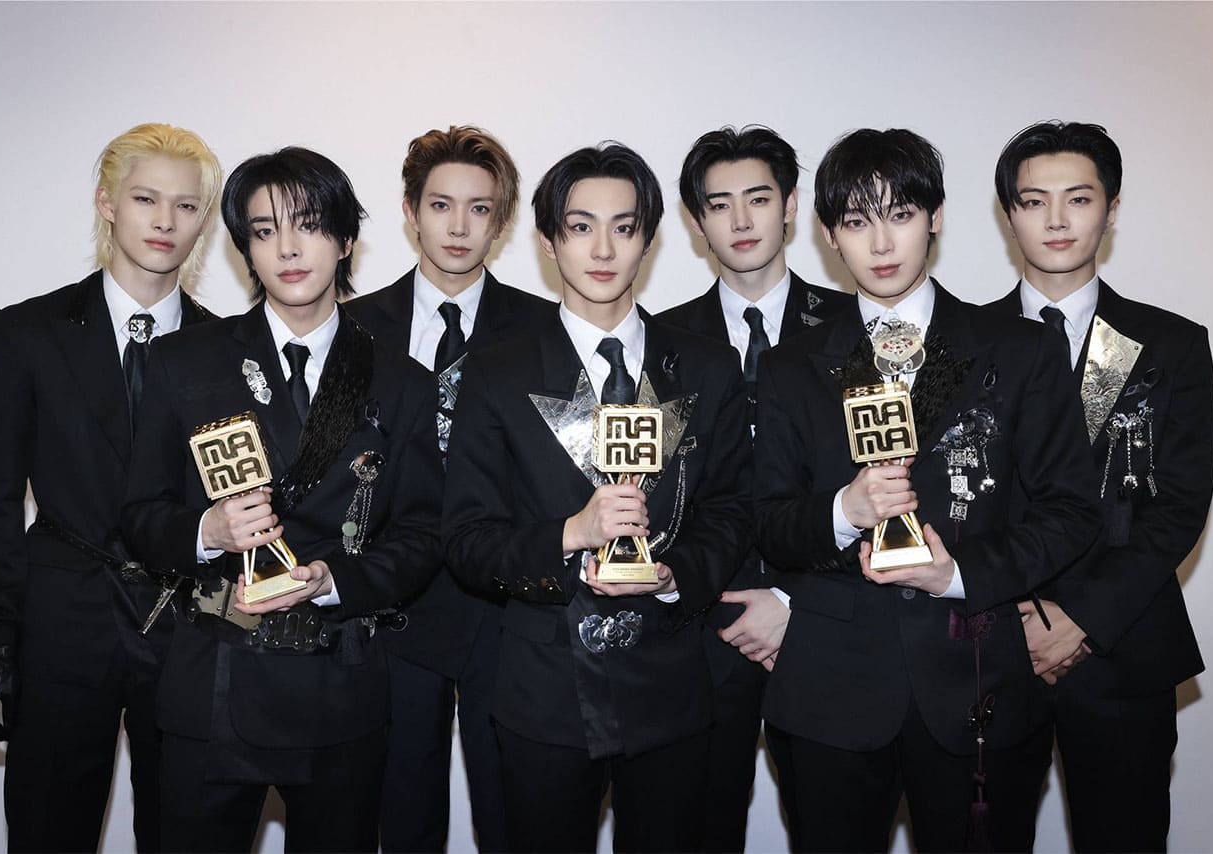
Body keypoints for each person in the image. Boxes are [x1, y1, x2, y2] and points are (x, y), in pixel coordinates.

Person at [754, 127, 1101, 851]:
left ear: (936, 216)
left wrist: (957, 574)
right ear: (828, 234)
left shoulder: (1018, 349)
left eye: (902, 214)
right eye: (857, 221)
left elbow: (1071, 511)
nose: (882, 243)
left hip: (978, 678)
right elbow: (769, 522)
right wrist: (843, 511)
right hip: (833, 693)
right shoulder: (792, 366)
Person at [121, 147, 443, 852]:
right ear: (245, 249)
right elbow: (139, 515)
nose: (288, 249)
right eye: (264, 231)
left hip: (339, 683)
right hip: (213, 678)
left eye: (309, 225)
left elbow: (421, 536)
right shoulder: (184, 360)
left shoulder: (402, 381)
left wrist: (335, 580)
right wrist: (206, 530)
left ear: (346, 239)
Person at [442, 142, 751, 852]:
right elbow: (466, 539)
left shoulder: (706, 365)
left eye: (624, 226)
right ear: (549, 241)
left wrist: (676, 576)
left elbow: (732, 509)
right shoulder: (495, 372)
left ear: (649, 238)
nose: (604, 249)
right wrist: (571, 533)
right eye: (581, 227)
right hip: (543, 690)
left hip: (674, 683)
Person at [0, 122, 220, 852]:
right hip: (62, 627)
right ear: (107, 203)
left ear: (204, 219)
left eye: (186, 205)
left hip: (186, 629)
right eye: (145, 199)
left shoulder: (225, 349)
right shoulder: (30, 334)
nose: (165, 221)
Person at [985, 120, 1213, 852]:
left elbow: (1178, 507)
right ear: (1009, 214)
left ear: (1111, 210)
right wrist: (1021, 613)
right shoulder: (966, 343)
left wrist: (1080, 618)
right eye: (1034, 201)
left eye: (1078, 199)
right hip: (991, 648)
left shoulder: (1171, 343)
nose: (1056, 219)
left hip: (1123, 648)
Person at [344, 126, 552, 852]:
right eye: (441, 205)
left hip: (506, 606)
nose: (459, 226)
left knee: (513, 815)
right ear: (410, 211)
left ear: (502, 221)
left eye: (479, 208)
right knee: (403, 816)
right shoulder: (353, 328)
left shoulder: (544, 328)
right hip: (393, 607)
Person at [659, 124, 850, 851]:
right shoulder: (659, 342)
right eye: (719, 204)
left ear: (791, 205)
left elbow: (884, 483)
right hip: (701, 628)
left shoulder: (855, 326)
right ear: (696, 220)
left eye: (759, 198)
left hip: (832, 619)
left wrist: (793, 599)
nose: (740, 220)